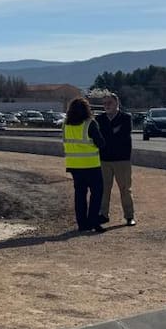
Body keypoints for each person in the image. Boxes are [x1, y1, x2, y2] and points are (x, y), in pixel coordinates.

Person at [63, 97, 106, 233]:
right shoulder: (89, 124)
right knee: (96, 194)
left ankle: (82, 224)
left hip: (74, 165)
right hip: (91, 164)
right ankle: (93, 221)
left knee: (80, 195)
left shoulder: (65, 124)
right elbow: (101, 143)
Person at [96, 92, 136, 225]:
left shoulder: (125, 118)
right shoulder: (99, 119)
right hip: (104, 160)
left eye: (109, 103)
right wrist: (112, 133)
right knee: (104, 189)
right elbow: (99, 138)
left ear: (117, 103)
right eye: (104, 103)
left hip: (122, 160)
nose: (107, 106)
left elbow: (122, 136)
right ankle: (103, 214)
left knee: (125, 189)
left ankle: (129, 216)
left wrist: (108, 135)